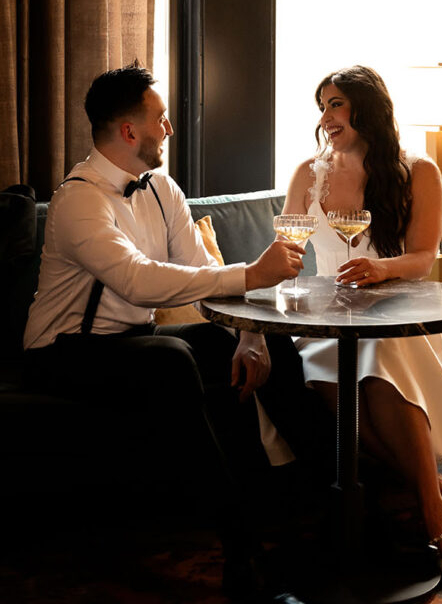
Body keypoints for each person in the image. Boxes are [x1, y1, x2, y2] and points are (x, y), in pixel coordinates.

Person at [23, 62, 315, 604]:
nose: (169, 129)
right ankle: (241, 555)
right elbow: (137, 280)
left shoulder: (162, 189)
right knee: (172, 360)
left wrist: (248, 333)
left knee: (264, 343)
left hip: (135, 343)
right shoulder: (79, 199)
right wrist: (253, 273)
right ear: (130, 131)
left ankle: (320, 512)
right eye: (161, 119)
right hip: (63, 351)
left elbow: (201, 271)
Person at [282, 65, 442, 588]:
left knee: (380, 360)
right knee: (327, 377)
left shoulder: (418, 171)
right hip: (331, 316)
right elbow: (289, 249)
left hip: (404, 311)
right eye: (322, 105)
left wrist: (381, 269)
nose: (326, 116)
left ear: (366, 109)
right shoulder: (309, 173)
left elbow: (422, 257)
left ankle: (438, 526)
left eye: (336, 104)